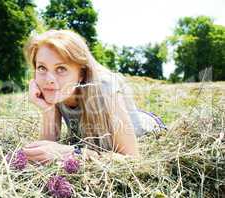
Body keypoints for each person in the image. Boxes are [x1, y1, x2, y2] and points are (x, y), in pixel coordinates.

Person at [22, 29, 167, 165]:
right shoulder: (57, 91)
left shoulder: (105, 88)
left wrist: (72, 153)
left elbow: (132, 160)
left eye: (61, 68)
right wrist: (48, 110)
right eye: (41, 68)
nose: (49, 79)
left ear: (82, 74)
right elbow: (45, 151)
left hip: (148, 128)